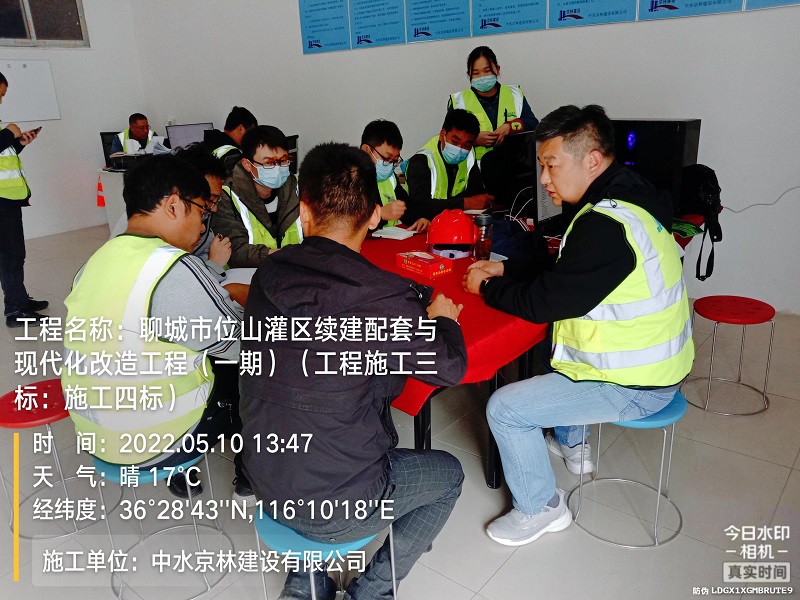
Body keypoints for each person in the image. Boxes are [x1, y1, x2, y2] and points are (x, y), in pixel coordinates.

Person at [240, 142, 468, 600]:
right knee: (448, 476)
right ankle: (374, 590)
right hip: (338, 506)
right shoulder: (383, 295)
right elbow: (449, 367)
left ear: (304, 211)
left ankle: (306, 581)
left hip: (262, 480)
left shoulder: (268, 275)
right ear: (375, 216)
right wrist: (442, 319)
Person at [463, 105, 694, 547]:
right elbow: (569, 270)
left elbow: (546, 302)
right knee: (555, 351)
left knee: (505, 409)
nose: (544, 179)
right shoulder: (628, 195)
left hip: (635, 384)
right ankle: (573, 444)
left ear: (591, 159)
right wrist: (506, 270)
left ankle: (541, 508)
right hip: (654, 364)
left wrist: (487, 288)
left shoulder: (605, 223)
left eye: (551, 165)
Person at [62, 154, 249, 499]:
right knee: (254, 371)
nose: (201, 227)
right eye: (201, 211)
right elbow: (239, 343)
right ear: (174, 205)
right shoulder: (172, 266)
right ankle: (250, 476)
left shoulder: (93, 263)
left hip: (97, 436)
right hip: (153, 443)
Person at [109, 143, 233, 282]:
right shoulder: (143, 223)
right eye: (209, 199)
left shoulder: (201, 223)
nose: (214, 208)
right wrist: (214, 265)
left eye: (217, 199)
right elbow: (177, 283)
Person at [448, 46, 539, 204]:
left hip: (514, 173)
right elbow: (449, 140)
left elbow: (533, 124)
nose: (482, 77)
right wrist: (474, 140)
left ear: (497, 69)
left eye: (487, 71)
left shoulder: (514, 94)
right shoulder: (459, 100)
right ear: (469, 74)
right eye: (476, 73)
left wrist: (510, 126)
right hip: (475, 177)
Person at [212, 125, 301, 268]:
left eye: (283, 160)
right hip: (246, 276)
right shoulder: (226, 195)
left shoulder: (298, 187)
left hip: (295, 272)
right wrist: (286, 256)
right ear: (247, 164)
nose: (277, 168)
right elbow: (235, 250)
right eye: (269, 163)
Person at [0, 71, 49, 328]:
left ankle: (19, 300)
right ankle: (15, 310)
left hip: (8, 198)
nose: (0, 101)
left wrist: (19, 144)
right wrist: (8, 135)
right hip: (1, 200)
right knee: (10, 255)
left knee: (15, 254)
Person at [405, 109, 494, 221]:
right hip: (425, 224)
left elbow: (476, 191)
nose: (460, 149)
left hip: (454, 221)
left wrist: (457, 203)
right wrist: (464, 203)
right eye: (455, 142)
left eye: (467, 145)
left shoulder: (469, 155)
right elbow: (420, 205)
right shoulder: (421, 161)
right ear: (442, 134)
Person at [360, 119, 429, 232]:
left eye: (394, 160)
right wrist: (380, 214)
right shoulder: (347, 179)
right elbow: (346, 223)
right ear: (366, 150)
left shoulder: (390, 177)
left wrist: (419, 219)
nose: (390, 165)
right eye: (386, 158)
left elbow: (406, 207)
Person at [203, 106, 258, 175]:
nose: (252, 138)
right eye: (251, 132)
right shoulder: (232, 154)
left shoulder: (210, 142)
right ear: (241, 129)